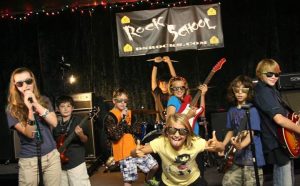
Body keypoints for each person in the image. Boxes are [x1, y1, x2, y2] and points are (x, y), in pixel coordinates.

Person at [131, 113, 224, 186]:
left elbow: (221, 148)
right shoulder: (160, 142)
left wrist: (218, 145)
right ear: (167, 131)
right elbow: (136, 152)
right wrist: (135, 152)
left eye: (182, 131)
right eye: (172, 130)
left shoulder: (195, 142)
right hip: (168, 182)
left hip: (193, 180)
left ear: (188, 133)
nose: (176, 135)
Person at [6, 67, 61, 186]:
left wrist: (36, 104)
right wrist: (30, 109)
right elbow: (30, 134)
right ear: (15, 86)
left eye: (28, 81)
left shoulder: (44, 100)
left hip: (51, 156)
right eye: (20, 83)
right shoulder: (12, 109)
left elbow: (54, 122)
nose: (25, 85)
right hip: (30, 161)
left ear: (33, 81)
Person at [253, 59, 300, 186]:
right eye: (270, 74)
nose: (274, 77)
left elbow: (284, 115)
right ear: (260, 74)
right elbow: (278, 119)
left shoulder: (271, 90)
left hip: (281, 140)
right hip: (276, 142)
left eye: (277, 74)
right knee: (285, 181)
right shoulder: (263, 91)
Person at [103, 88, 159, 186]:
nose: (123, 103)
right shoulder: (110, 116)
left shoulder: (129, 113)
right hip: (124, 152)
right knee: (129, 180)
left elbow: (135, 131)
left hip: (135, 148)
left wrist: (136, 123)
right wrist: (123, 120)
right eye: (120, 100)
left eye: (125, 101)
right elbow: (115, 136)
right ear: (114, 101)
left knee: (154, 166)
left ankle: (147, 181)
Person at [219, 75, 265, 186]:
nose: (240, 93)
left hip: (252, 157)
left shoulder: (252, 110)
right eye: (236, 90)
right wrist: (222, 145)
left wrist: (241, 145)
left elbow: (251, 133)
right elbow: (230, 131)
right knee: (228, 182)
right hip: (237, 158)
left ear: (249, 92)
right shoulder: (231, 110)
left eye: (243, 90)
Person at [52, 95, 91, 186]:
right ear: (58, 109)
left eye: (68, 106)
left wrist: (81, 134)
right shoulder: (55, 123)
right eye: (62, 106)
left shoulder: (78, 121)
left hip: (76, 162)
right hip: (60, 163)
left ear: (72, 108)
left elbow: (85, 140)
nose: (66, 109)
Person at [151, 56, 177, 124]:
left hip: (174, 121)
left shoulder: (172, 93)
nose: (164, 85)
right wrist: (155, 64)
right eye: (162, 83)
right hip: (162, 122)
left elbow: (175, 79)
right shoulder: (157, 93)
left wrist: (169, 62)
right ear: (158, 84)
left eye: (166, 83)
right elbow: (153, 78)